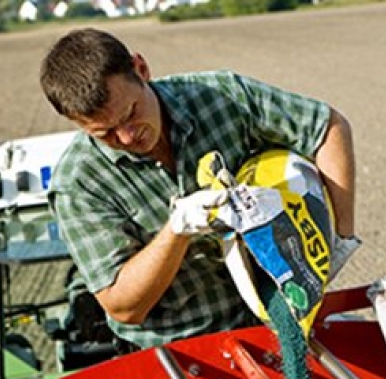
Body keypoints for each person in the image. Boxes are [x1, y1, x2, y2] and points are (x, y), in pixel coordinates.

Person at [40, 27, 359, 351]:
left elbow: (325, 127)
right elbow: (123, 306)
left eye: (131, 114)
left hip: (276, 313)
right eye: (105, 133)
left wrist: (340, 238)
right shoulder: (78, 185)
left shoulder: (221, 95)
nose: (127, 138)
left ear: (141, 69)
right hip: (182, 350)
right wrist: (177, 231)